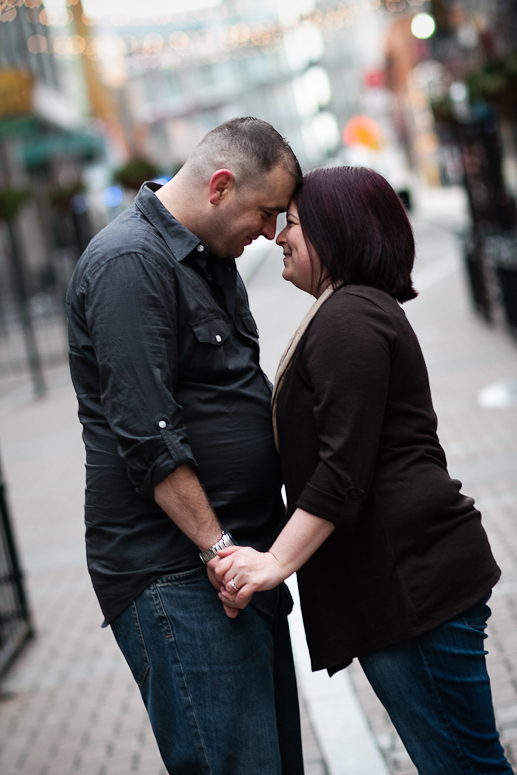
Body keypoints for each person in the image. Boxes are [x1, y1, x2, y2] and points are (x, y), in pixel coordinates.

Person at [212, 165, 514, 775]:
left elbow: (341, 470)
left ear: (336, 231)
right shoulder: (349, 311)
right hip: (405, 587)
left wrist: (274, 562)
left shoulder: (350, 319)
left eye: (292, 224)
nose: (278, 237)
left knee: (464, 766)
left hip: (413, 589)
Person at [66, 117, 305, 775]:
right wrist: (219, 550)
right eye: (265, 213)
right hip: (181, 575)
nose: (268, 232)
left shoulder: (209, 258)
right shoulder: (128, 263)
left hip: (230, 568)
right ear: (221, 186)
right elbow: (148, 436)